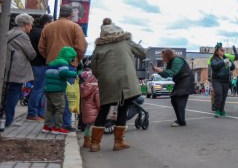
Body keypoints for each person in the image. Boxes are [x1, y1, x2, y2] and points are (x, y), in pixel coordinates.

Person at [89, 18, 146, 151]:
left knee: (103, 110)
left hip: (108, 81)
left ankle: (95, 143)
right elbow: (142, 53)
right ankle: (118, 142)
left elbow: (94, 68)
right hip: (126, 80)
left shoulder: (99, 46)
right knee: (123, 109)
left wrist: (103, 77)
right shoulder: (126, 41)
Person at [39, 4, 87, 131]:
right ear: (71, 15)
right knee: (66, 95)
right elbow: (81, 47)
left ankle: (50, 124)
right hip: (69, 65)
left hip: (51, 65)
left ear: (60, 13)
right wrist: (77, 59)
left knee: (51, 94)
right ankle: (64, 124)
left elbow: (41, 47)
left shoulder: (48, 27)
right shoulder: (75, 27)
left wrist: (50, 57)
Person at [3, 14, 37, 127]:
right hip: (17, 69)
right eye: (31, 25)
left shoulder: (9, 32)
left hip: (7, 68)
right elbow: (31, 54)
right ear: (26, 25)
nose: (31, 28)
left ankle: (5, 118)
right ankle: (9, 120)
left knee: (6, 94)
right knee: (14, 93)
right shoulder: (22, 35)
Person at [153, 48, 195, 124]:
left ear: (168, 55)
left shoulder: (177, 60)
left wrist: (160, 70)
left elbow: (172, 73)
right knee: (174, 99)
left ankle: (181, 121)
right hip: (181, 81)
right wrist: (159, 71)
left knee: (179, 99)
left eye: (163, 56)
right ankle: (180, 120)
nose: (162, 58)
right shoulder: (170, 62)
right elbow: (166, 75)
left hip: (186, 80)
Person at [42, 46, 78, 134]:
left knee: (50, 109)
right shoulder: (63, 62)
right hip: (57, 89)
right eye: (72, 59)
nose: (72, 61)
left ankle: (47, 126)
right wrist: (74, 74)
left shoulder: (52, 62)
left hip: (48, 89)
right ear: (69, 57)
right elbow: (63, 73)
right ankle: (57, 127)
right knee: (60, 108)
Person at [26, 14, 53, 121]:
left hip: (34, 64)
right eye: (52, 22)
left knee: (39, 89)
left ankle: (39, 113)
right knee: (38, 89)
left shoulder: (33, 32)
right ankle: (33, 113)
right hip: (40, 64)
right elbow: (44, 49)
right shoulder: (42, 33)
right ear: (46, 23)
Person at [206, 43, 234, 118]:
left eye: (224, 50)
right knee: (219, 94)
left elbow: (232, 68)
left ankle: (222, 110)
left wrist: (231, 64)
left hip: (225, 80)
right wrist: (223, 61)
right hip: (217, 79)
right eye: (221, 50)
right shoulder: (214, 59)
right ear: (217, 51)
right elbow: (214, 66)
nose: (223, 51)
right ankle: (217, 110)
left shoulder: (226, 58)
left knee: (224, 96)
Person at [79, 65, 100, 148]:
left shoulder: (84, 87)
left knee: (88, 126)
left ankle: (86, 141)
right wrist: (100, 109)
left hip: (86, 111)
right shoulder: (96, 88)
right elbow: (98, 101)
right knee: (93, 126)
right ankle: (91, 141)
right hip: (94, 111)